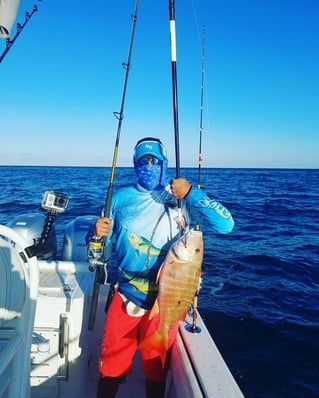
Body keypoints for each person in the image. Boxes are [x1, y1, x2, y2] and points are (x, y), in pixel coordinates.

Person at [93, 137, 234, 398]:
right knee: (110, 369)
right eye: (143, 161)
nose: (149, 165)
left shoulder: (181, 197)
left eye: (155, 160)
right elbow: (102, 245)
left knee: (156, 372)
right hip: (125, 295)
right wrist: (96, 233)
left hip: (167, 300)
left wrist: (192, 193)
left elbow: (226, 225)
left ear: (165, 163)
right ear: (134, 165)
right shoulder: (120, 198)